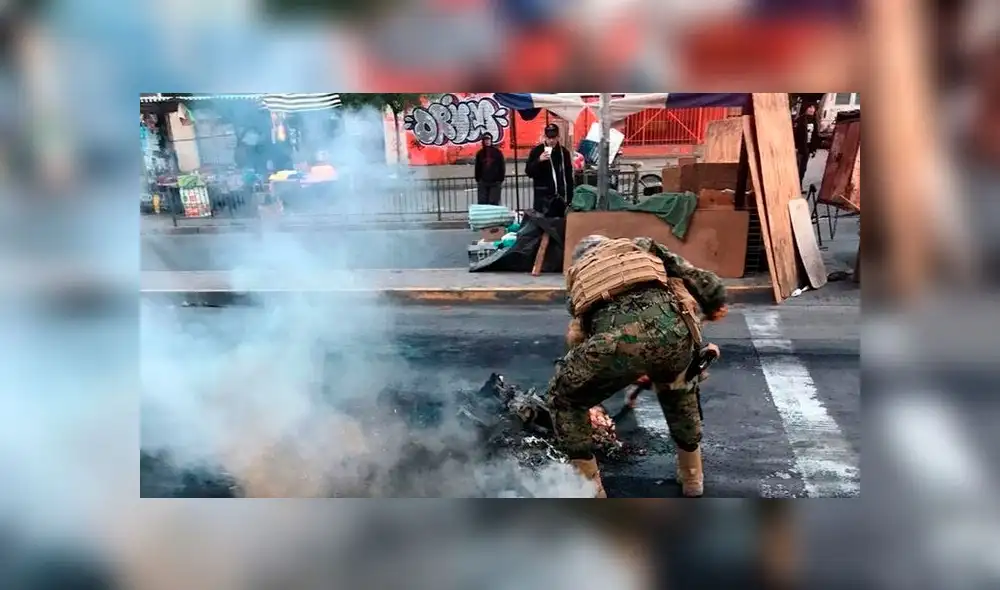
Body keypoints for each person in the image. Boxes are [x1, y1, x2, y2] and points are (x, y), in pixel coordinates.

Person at [550, 234, 729, 498]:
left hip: (616, 346)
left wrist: (593, 384)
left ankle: (590, 489)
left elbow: (579, 337)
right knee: (679, 386)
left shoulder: (579, 277)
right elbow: (699, 278)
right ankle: (693, 478)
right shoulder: (641, 246)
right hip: (676, 334)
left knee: (564, 400)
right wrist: (715, 303)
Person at [525, 122, 574, 217]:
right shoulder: (537, 151)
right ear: (545, 137)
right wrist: (539, 160)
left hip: (561, 197)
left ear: (558, 137)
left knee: (560, 224)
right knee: (544, 224)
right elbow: (529, 171)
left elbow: (568, 175)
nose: (551, 141)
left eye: (554, 137)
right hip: (543, 198)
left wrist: (570, 197)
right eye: (549, 138)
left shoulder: (564, 152)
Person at [793, 102, 821, 185]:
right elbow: (795, 134)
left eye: (813, 107)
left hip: (808, 148)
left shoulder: (814, 120)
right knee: (797, 167)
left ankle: (799, 184)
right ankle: (796, 185)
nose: (812, 109)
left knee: (803, 168)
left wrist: (814, 149)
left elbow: (815, 136)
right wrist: (795, 147)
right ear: (806, 109)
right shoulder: (800, 120)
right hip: (800, 148)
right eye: (810, 107)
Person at [474, 136, 506, 205]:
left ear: (491, 140)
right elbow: (477, 167)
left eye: (488, 140)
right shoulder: (480, 153)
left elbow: (501, 166)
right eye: (485, 140)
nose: (487, 141)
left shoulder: (497, 152)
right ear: (483, 141)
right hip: (483, 181)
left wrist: (500, 178)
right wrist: (478, 178)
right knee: (482, 202)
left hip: (495, 181)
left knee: (493, 202)